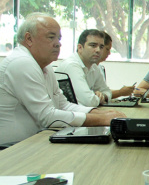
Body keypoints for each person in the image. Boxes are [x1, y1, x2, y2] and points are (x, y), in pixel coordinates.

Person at [0, 13, 125, 146]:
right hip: (12, 149)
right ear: (29, 39)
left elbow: (62, 105)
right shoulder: (21, 63)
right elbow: (47, 117)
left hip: (35, 141)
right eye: (51, 37)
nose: (58, 44)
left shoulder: (45, 66)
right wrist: (101, 119)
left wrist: (99, 113)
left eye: (59, 38)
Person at [57, 29, 118, 107]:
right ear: (80, 48)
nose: (98, 50)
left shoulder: (94, 67)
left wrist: (103, 95)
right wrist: (98, 97)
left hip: (79, 113)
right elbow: (89, 102)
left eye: (101, 47)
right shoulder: (71, 65)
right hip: (65, 117)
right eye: (93, 45)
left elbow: (107, 92)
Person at [97, 32, 135, 98]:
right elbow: (92, 96)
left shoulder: (98, 68)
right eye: (107, 49)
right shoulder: (77, 67)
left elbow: (104, 92)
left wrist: (121, 92)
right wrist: (120, 92)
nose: (109, 53)